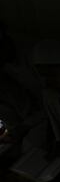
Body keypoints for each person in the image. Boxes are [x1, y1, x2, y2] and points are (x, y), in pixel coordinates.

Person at [0, 23, 46, 152]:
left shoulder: (33, 53)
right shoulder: (6, 66)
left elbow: (51, 103)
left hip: (50, 113)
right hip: (30, 113)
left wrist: (24, 126)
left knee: (29, 144)